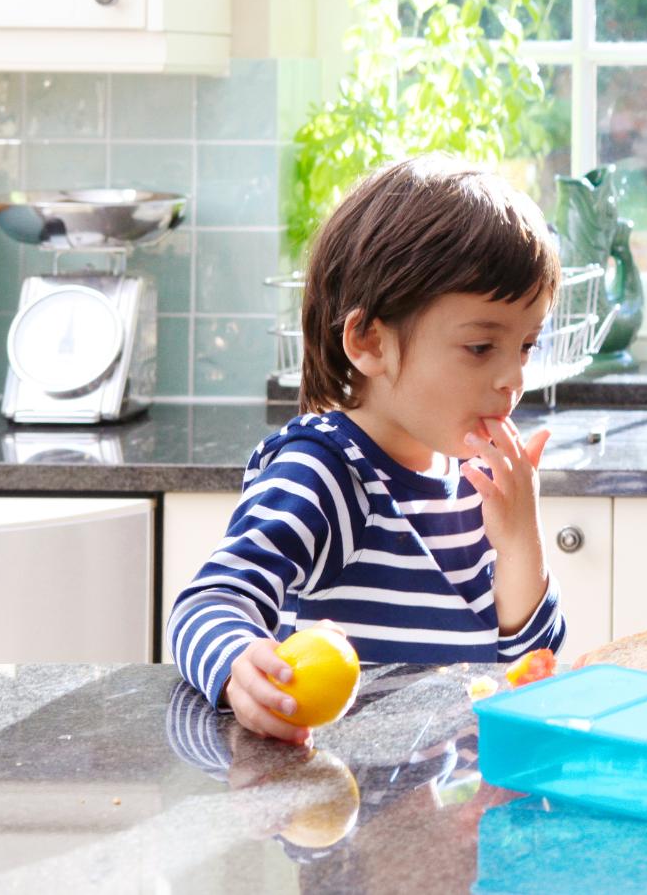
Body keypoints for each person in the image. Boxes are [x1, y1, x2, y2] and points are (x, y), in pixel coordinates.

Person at [168, 156, 567, 742]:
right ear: (369, 342)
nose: (514, 378)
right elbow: (207, 602)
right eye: (482, 347)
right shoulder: (326, 471)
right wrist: (237, 668)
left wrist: (519, 540)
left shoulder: (471, 475)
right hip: (337, 807)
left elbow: (528, 673)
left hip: (447, 814)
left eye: (527, 345)